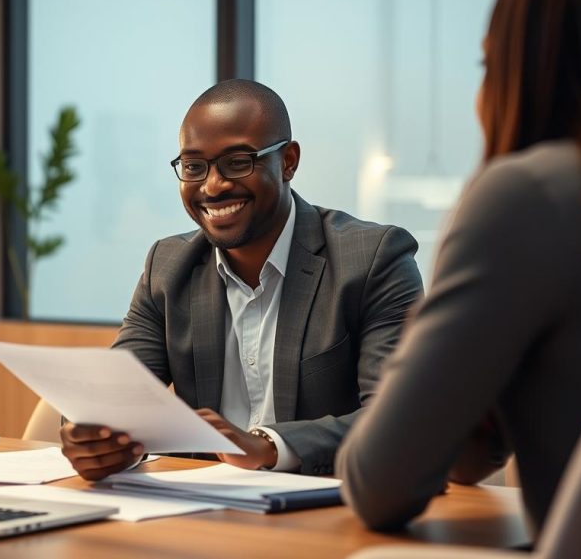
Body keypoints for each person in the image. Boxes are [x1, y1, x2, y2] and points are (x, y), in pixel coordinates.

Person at [336, 0, 581, 536]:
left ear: (525, 68)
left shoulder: (533, 198)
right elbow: (470, 458)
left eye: (486, 66)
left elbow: (379, 482)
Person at [60, 79, 423, 480]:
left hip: (332, 513)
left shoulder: (372, 259)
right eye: (194, 167)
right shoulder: (169, 267)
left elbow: (399, 421)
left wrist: (268, 446)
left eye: (237, 163)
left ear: (288, 161)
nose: (213, 186)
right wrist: (94, 439)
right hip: (199, 515)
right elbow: (111, 397)